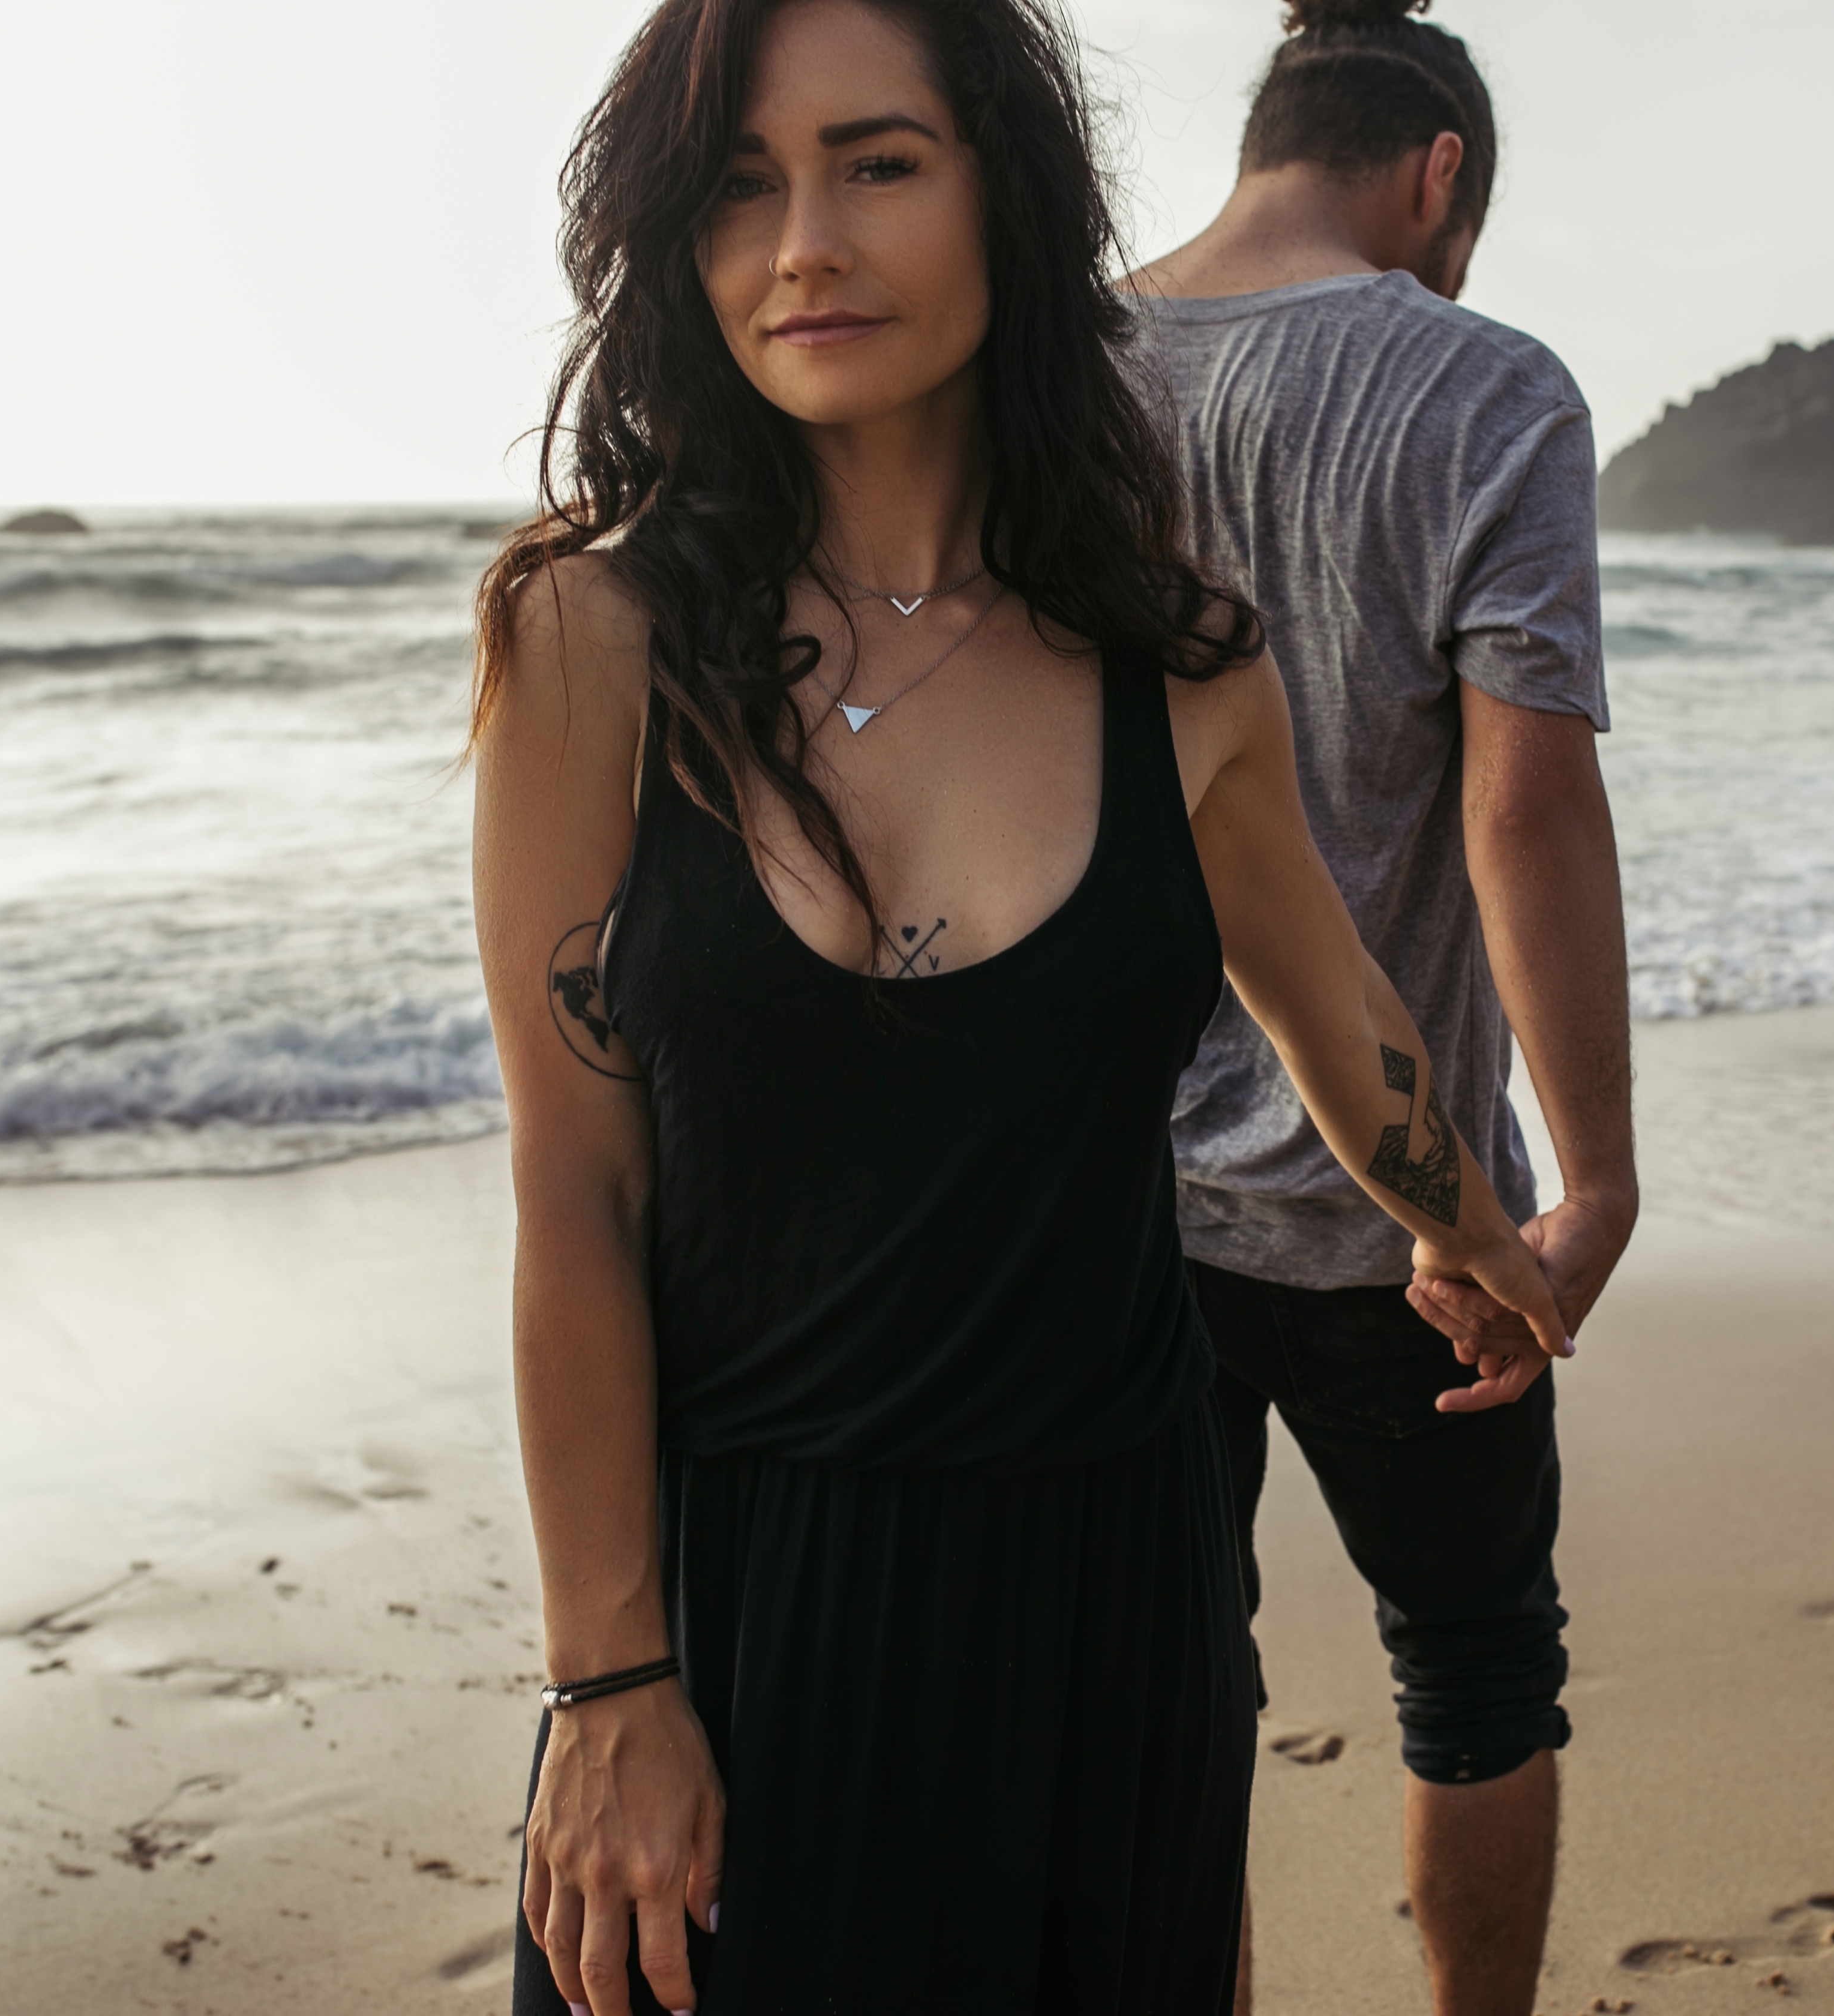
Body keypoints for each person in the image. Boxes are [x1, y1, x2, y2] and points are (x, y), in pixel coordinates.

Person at [464, 1, 1569, 2011]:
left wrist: (1479, 1232)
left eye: (877, 162)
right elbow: (577, 1199)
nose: (805, 241)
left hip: (1106, 1598)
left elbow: (1339, 1017)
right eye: (738, 187)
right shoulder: (593, 637)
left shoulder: (1176, 661)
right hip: (748, 1607)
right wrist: (608, 1676)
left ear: (1005, 192)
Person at [1125, 4, 1636, 2012]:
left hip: (1104, 1200)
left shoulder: (1046, 369)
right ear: (1437, 178)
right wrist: (1582, 1188)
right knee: (1480, 1663)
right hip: (1411, 1226)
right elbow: (1526, 798)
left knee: (1167, 1694)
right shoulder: (1488, 388)